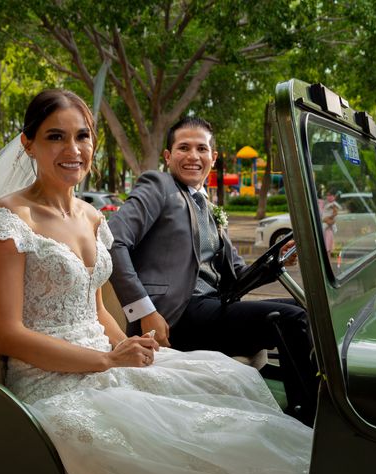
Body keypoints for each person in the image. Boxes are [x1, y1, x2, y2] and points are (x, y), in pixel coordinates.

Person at [0, 89, 311, 474]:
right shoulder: (12, 217)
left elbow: (97, 308)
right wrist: (107, 359)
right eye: (56, 136)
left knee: (232, 381)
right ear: (28, 144)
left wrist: (123, 344)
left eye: (82, 136)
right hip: (51, 381)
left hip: (107, 360)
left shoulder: (91, 217)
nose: (72, 148)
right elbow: (8, 336)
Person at [108, 117, 318, 425]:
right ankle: (309, 415)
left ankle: (320, 399)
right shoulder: (159, 186)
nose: (193, 156)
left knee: (305, 309)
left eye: (201, 148)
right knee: (291, 320)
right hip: (175, 316)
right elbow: (113, 241)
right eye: (184, 147)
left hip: (213, 309)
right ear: (168, 156)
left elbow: (238, 274)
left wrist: (278, 262)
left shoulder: (208, 205)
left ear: (213, 158)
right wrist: (144, 311)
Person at [321, 188, 341, 255]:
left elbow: (335, 213)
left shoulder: (333, 205)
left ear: (334, 196)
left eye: (330, 195)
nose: (328, 197)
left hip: (329, 226)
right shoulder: (326, 204)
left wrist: (328, 218)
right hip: (327, 225)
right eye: (327, 195)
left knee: (328, 247)